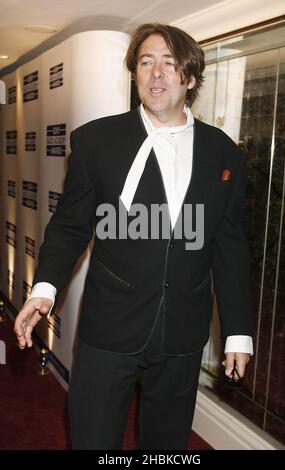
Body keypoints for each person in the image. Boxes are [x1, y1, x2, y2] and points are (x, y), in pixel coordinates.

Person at [14, 23, 253, 450]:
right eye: (146, 62)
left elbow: (229, 248)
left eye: (168, 63)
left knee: (167, 445)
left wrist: (237, 332)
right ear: (135, 75)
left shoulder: (224, 153)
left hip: (182, 331)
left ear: (190, 78)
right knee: (93, 437)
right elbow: (70, 226)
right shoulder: (95, 142)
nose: (156, 73)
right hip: (110, 326)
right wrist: (44, 288)